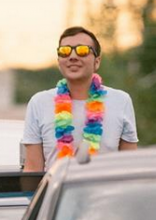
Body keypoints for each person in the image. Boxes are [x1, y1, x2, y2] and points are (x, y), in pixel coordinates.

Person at [22, 26, 138, 171]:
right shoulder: (39, 103)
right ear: (59, 61)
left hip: (105, 193)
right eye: (65, 51)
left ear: (97, 61)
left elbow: (129, 168)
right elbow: (32, 169)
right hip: (59, 193)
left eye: (82, 50)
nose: (72, 56)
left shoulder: (121, 101)